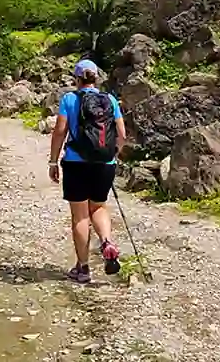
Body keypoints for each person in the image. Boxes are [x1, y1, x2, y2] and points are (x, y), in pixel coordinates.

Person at [48, 58, 126, 283]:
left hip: (75, 163)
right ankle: (106, 241)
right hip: (104, 164)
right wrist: (113, 155)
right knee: (99, 206)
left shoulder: (70, 99)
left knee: (80, 215)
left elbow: (60, 131)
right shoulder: (110, 99)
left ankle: (83, 268)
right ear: (96, 78)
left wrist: (53, 162)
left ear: (77, 78)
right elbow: (122, 134)